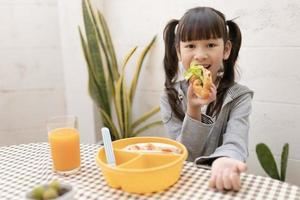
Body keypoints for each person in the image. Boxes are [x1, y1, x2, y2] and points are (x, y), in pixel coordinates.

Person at [160, 7, 253, 192]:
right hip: (181, 185)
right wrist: (193, 111)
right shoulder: (170, 97)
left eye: (210, 45)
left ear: (226, 50)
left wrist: (225, 160)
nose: (200, 55)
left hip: (221, 183)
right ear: (179, 52)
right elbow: (183, 155)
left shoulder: (239, 97)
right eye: (190, 46)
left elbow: (236, 142)